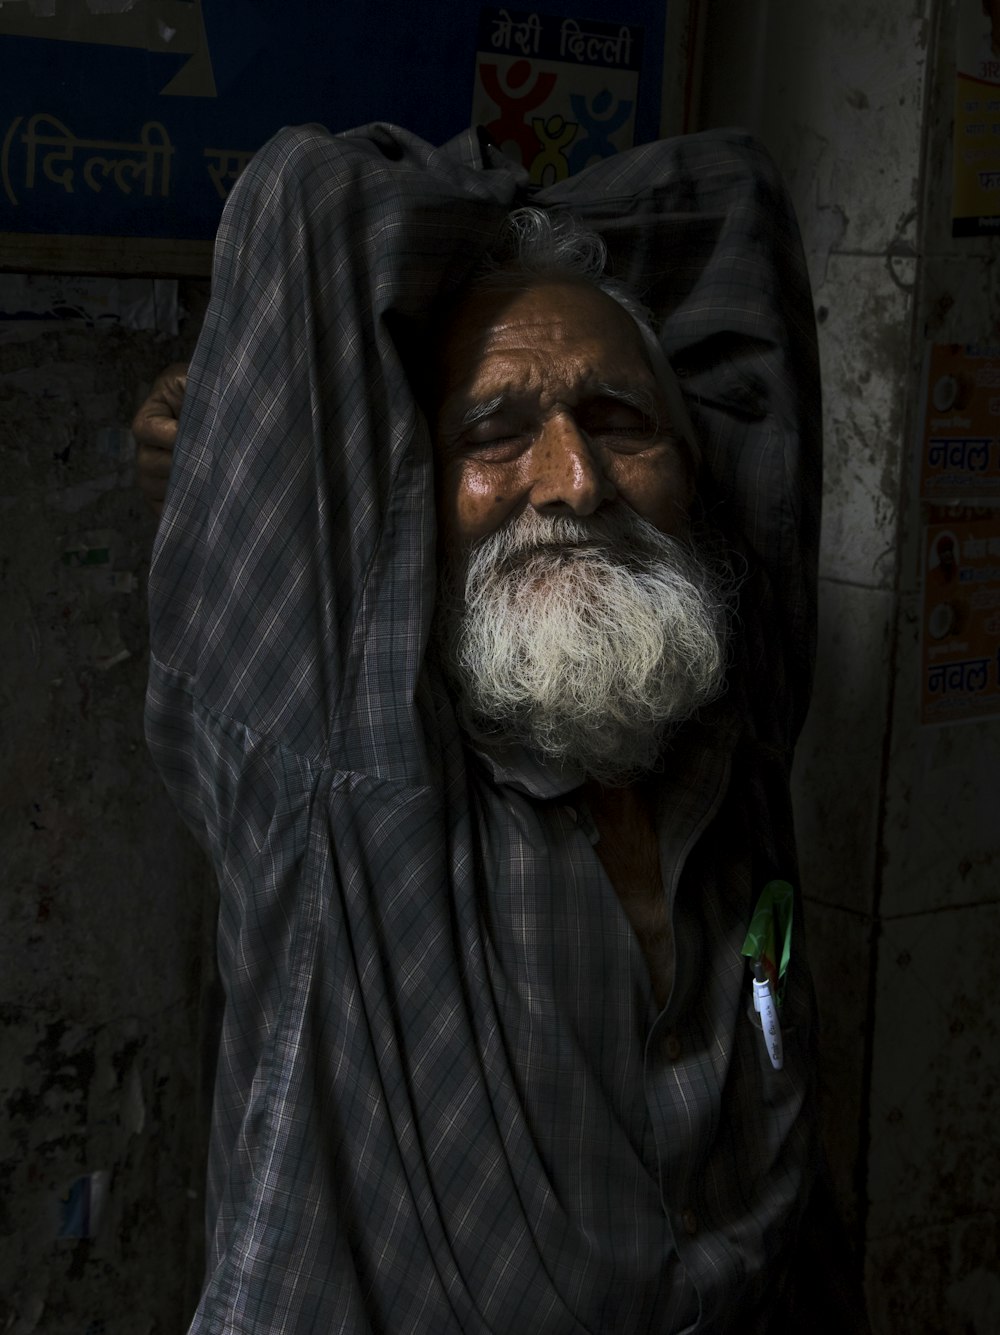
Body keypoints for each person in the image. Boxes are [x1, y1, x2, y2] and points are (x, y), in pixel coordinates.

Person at [139, 122, 864, 1332]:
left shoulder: (728, 713)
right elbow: (314, 205)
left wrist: (544, 244)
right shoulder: (347, 777)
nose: (573, 478)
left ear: (695, 462)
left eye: (619, 419)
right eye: (494, 435)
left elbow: (736, 201)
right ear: (408, 502)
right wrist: (499, 219)